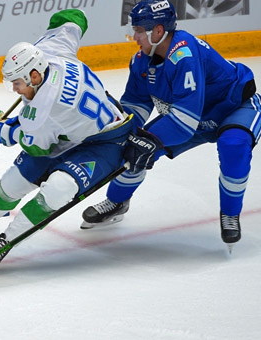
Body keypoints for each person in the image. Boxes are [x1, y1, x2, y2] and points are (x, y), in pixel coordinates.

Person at [0, 9, 134, 273]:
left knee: (58, 188)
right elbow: (74, 19)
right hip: (67, 129)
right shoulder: (50, 51)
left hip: (105, 141)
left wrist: (0, 130)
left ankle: (6, 241)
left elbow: (36, 144)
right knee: (13, 182)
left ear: (35, 76)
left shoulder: (46, 107)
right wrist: (17, 121)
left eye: (17, 83)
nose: (15, 89)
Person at [80, 0, 259, 250]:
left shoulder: (183, 53)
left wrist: (146, 141)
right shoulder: (141, 61)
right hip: (190, 117)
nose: (135, 37)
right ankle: (117, 201)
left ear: (159, 31)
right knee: (130, 146)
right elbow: (137, 106)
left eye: (140, 30)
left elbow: (184, 121)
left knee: (234, 146)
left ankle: (230, 213)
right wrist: (115, 128)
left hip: (233, 108)